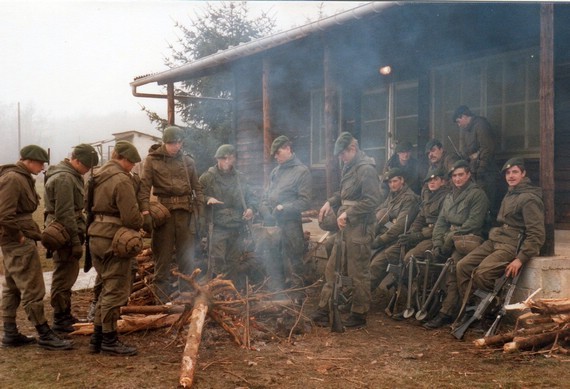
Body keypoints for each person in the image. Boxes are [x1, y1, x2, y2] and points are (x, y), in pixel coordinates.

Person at [0, 145, 72, 350]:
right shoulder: (13, 179)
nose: (42, 168)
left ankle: (10, 332)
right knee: (33, 288)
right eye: (40, 163)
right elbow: (4, 214)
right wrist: (20, 236)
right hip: (17, 242)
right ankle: (44, 332)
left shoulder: (19, 177)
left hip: (14, 240)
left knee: (12, 287)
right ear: (29, 161)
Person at [311, 132, 380, 328]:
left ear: (353, 149)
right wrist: (329, 202)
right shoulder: (350, 167)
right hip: (346, 226)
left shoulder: (366, 169)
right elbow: (344, 193)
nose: (340, 158)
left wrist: (348, 213)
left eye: (343, 153)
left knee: (358, 271)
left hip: (360, 228)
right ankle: (325, 308)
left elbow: (373, 200)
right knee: (332, 267)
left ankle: (359, 313)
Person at [456, 157, 545, 302]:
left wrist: (520, 258)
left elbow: (536, 234)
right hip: (496, 240)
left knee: (482, 274)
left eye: (515, 172)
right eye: (508, 173)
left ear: (523, 174)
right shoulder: (510, 194)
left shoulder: (529, 198)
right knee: (463, 266)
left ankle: (491, 306)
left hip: (511, 245)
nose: (510, 176)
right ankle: (470, 307)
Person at [87, 141, 143, 356]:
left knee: (105, 288)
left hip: (96, 235)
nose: (132, 167)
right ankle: (109, 340)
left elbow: (87, 207)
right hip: (114, 239)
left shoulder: (97, 176)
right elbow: (131, 218)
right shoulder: (121, 180)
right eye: (132, 163)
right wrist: (143, 218)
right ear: (124, 159)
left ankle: (97, 337)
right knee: (115, 290)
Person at [139, 126, 204, 304]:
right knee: (162, 258)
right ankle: (161, 300)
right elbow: (144, 188)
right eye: (172, 143)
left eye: (179, 142)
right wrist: (145, 213)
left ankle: (187, 298)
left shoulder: (188, 161)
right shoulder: (152, 161)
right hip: (163, 216)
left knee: (187, 258)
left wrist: (201, 214)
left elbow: (197, 188)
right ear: (164, 143)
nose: (176, 146)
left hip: (185, 214)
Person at [423, 160, 489, 329]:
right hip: (450, 239)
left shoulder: (477, 194)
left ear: (468, 175)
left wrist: (448, 238)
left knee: (453, 268)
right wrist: (438, 242)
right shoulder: (450, 196)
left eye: (461, 175)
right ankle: (434, 306)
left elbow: (473, 223)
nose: (457, 179)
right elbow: (441, 222)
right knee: (433, 265)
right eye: (454, 176)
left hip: (468, 240)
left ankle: (447, 313)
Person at [43, 143, 99, 333]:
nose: (86, 170)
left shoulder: (70, 175)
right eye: (85, 166)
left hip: (68, 230)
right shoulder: (65, 178)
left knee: (67, 275)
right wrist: (75, 242)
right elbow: (65, 213)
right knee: (63, 276)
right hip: (65, 233)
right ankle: (60, 318)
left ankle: (64, 314)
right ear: (75, 160)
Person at [259, 135, 312, 293]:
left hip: (291, 225)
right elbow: (267, 196)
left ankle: (298, 296)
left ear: (288, 149)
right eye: (273, 154)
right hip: (275, 225)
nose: (275, 156)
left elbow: (305, 201)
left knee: (295, 260)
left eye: (278, 152)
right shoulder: (275, 172)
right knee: (274, 258)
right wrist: (265, 210)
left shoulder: (301, 172)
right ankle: (278, 294)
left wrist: (284, 207)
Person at [199, 144, 258, 282]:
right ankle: (218, 289)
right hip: (218, 226)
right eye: (223, 159)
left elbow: (252, 197)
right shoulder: (207, 177)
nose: (226, 162)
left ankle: (230, 291)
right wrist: (208, 199)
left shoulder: (240, 178)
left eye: (229, 158)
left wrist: (251, 209)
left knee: (234, 261)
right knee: (218, 260)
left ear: (233, 159)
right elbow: (196, 194)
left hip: (237, 225)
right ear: (217, 159)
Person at [369, 168, 420, 293]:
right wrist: (388, 221)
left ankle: (359, 300)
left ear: (402, 180)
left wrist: (380, 240)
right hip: (387, 237)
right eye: (390, 182)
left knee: (376, 265)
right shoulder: (393, 196)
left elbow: (400, 226)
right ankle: (353, 295)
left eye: (395, 181)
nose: (392, 184)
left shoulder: (409, 198)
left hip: (400, 240)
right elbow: (379, 213)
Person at [452, 105, 497, 213]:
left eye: (458, 121)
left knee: (485, 203)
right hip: (474, 171)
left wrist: (481, 167)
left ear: (463, 116)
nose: (459, 125)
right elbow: (469, 151)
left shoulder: (481, 125)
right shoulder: (468, 130)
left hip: (485, 172)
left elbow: (487, 148)